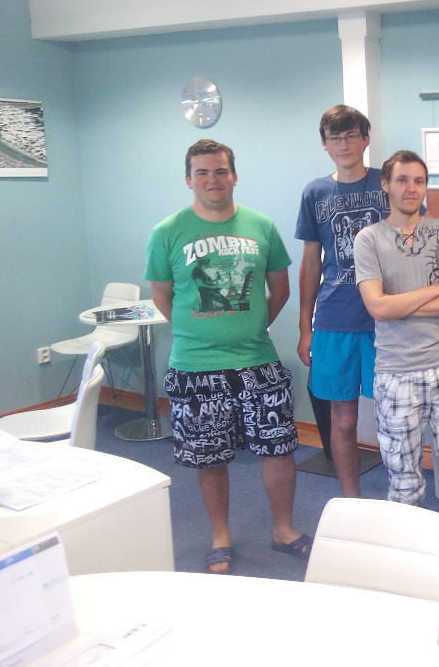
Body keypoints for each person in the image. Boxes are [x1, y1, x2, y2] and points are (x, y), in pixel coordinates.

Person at [146, 138, 311, 575]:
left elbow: (280, 290)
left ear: (234, 175)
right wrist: (197, 331)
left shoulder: (261, 226)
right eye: (202, 172)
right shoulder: (166, 232)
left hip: (258, 361)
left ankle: (284, 530)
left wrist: (250, 327)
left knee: (279, 449)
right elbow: (161, 295)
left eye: (220, 171)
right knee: (209, 457)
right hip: (195, 367)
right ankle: (220, 536)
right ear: (188, 179)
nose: (212, 179)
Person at [354, 150, 439, 504]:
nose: (411, 188)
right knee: (403, 483)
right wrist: (434, 290)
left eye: (419, 181)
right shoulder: (369, 239)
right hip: (397, 375)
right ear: (385, 184)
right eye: (402, 180)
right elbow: (378, 308)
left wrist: (400, 305)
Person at [295, 105, 388, 497]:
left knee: (395, 420)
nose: (344, 145)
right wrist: (305, 328)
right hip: (334, 319)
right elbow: (310, 263)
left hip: (387, 319)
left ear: (365, 140)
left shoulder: (388, 182)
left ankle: (401, 498)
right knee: (344, 421)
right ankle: (352, 501)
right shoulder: (315, 192)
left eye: (352, 136)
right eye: (336, 138)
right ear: (325, 145)